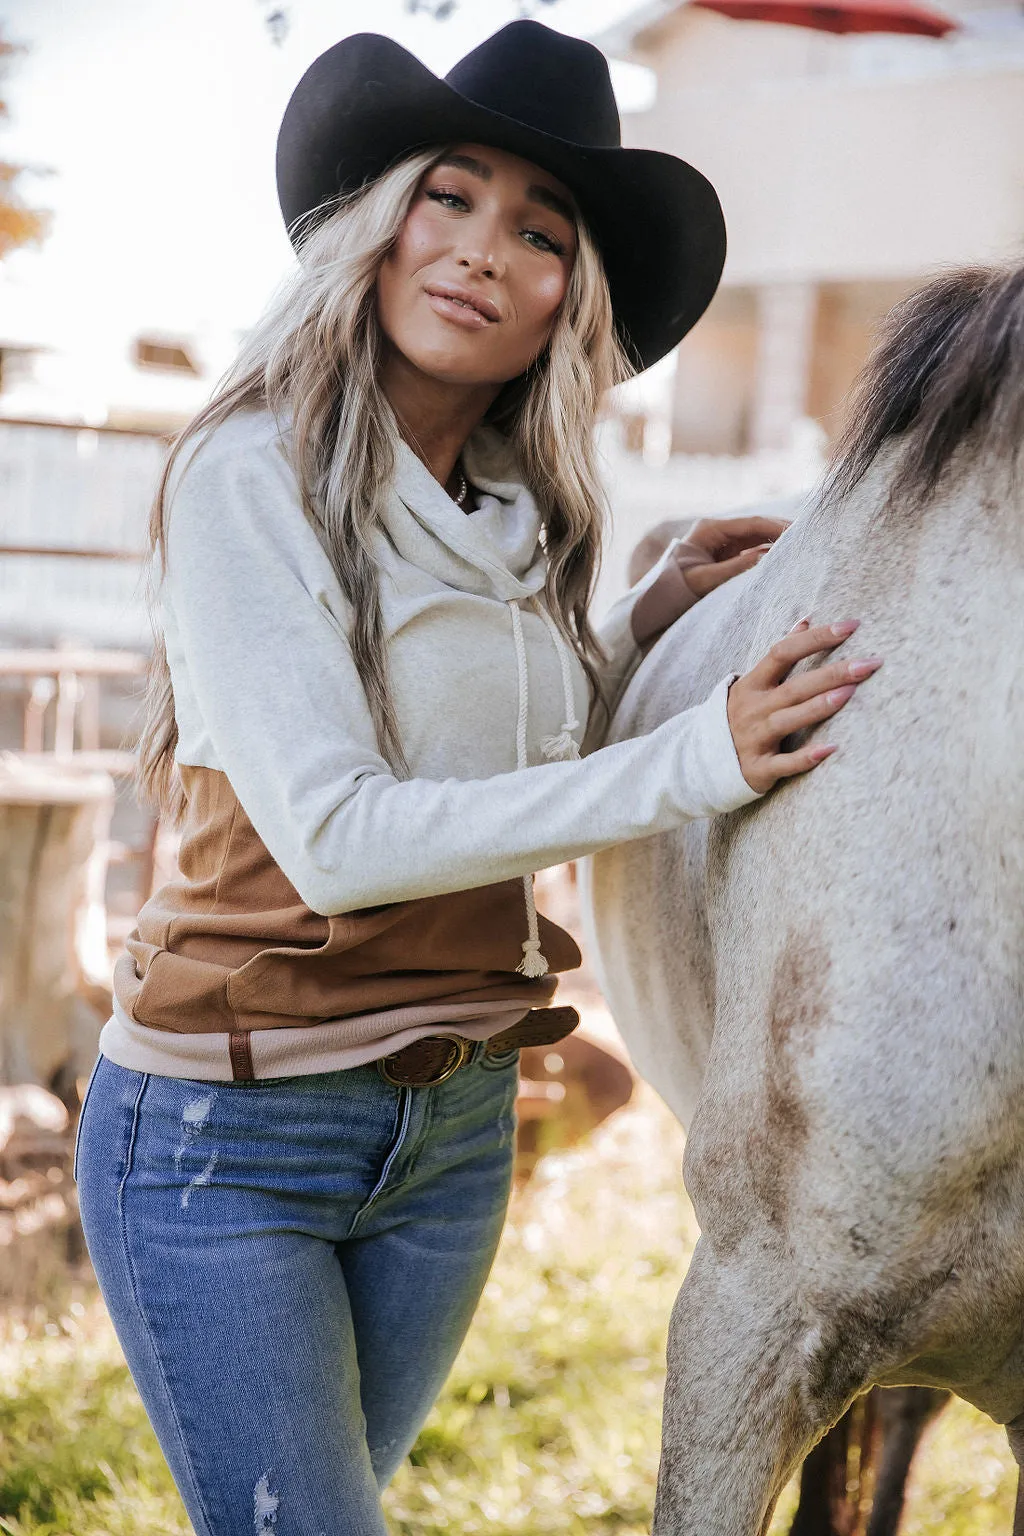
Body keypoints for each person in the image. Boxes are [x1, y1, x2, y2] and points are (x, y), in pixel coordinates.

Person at [74, 21, 882, 1535]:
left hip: (451, 1130)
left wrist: (630, 633)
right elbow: (341, 836)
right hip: (230, 1138)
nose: (481, 253)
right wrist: (689, 761)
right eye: (448, 197)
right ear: (375, 230)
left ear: (567, 303)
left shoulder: (515, 506)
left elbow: (487, 758)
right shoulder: (247, 474)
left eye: (540, 232)